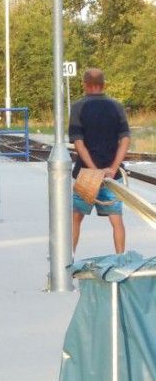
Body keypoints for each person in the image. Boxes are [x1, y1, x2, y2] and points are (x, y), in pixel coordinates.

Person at [69, 67, 130, 253]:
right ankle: (120, 261)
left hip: (87, 174)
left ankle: (68, 261)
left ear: (85, 85)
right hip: (112, 176)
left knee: (76, 218)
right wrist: (112, 168)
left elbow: (79, 143)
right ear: (103, 85)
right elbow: (125, 140)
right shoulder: (116, 106)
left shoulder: (78, 107)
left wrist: (94, 169)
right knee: (116, 220)